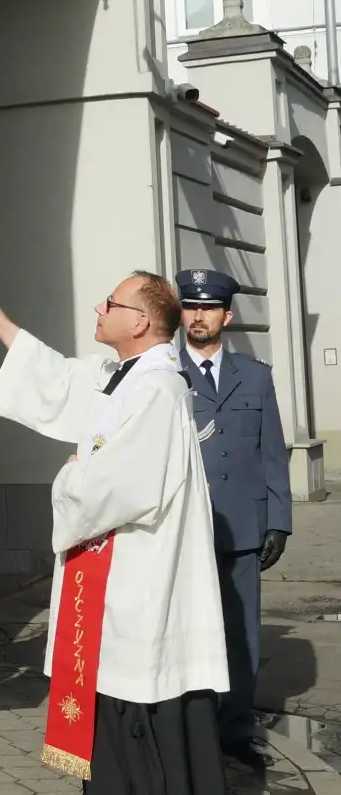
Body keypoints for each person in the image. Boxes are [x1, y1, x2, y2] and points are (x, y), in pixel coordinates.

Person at [0, 271, 230, 793]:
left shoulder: (158, 389)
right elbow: (68, 381)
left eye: (109, 302)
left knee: (136, 711)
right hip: (115, 577)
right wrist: (6, 331)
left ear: (138, 322)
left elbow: (119, 486)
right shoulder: (129, 374)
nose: (97, 307)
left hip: (139, 582)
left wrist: (71, 475)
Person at [176, 268, 292, 769]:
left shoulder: (257, 374)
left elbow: (272, 452)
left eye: (208, 307)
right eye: (190, 306)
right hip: (182, 528)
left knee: (241, 634)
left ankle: (236, 731)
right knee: (183, 632)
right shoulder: (163, 373)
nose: (197, 315)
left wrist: (279, 520)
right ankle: (187, 731)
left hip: (243, 526)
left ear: (228, 314)